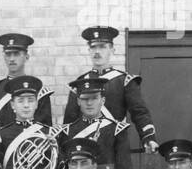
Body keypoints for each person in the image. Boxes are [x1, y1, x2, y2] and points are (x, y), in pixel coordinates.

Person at [61, 26, 158, 154]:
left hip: (114, 144)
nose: (97, 51)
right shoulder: (79, 84)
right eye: (93, 47)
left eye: (102, 47)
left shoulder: (125, 81)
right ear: (89, 50)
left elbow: (139, 113)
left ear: (112, 50)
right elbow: (70, 121)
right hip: (85, 148)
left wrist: (148, 138)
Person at [57, 75, 134, 169]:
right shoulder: (67, 131)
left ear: (102, 100)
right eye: (85, 99)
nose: (89, 103)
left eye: (94, 98)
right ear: (78, 101)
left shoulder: (116, 129)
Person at [0, 75, 58, 169]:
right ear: (12, 105)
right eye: (20, 101)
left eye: (30, 100)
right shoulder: (0, 135)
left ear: (37, 103)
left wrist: (55, 150)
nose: (26, 105)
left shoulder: (47, 133)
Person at [0, 33, 52, 133]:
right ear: (4, 57)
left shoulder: (40, 91)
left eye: (16, 54)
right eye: (8, 54)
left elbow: (45, 128)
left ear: (26, 56)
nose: (12, 59)